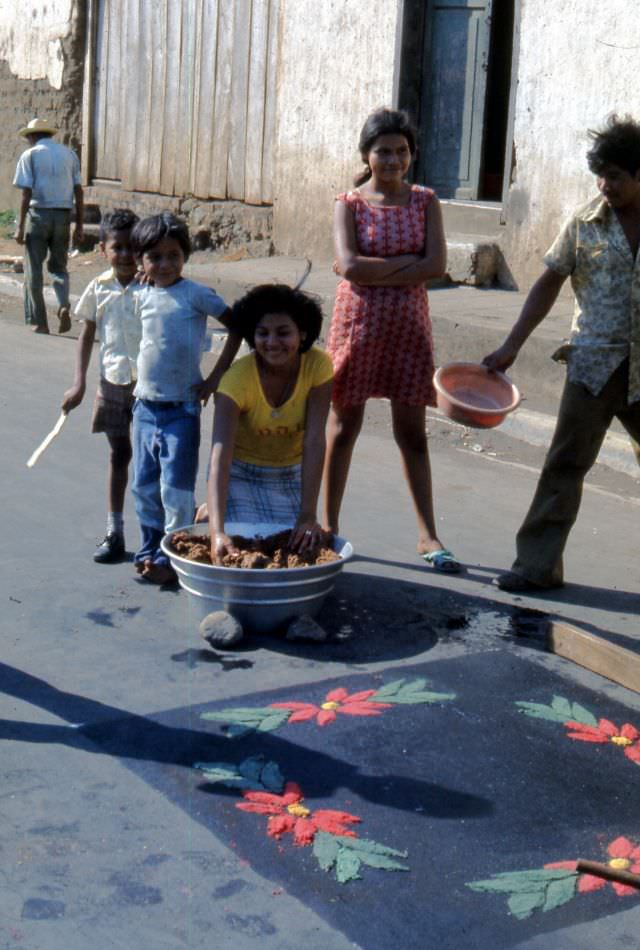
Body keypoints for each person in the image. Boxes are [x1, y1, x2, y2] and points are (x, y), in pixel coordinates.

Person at [484, 113, 640, 591]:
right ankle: (535, 566)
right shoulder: (584, 222)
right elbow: (547, 284)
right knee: (564, 466)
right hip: (592, 365)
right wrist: (511, 345)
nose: (604, 184)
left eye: (615, 176)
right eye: (601, 174)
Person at [323, 107, 459, 572]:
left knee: (413, 435)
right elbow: (349, 265)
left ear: (411, 155)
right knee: (343, 430)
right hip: (357, 327)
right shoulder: (349, 203)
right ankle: (327, 526)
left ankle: (428, 534)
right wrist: (407, 263)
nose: (393, 159)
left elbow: (437, 265)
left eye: (402, 151)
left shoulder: (426, 201)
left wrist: (375, 268)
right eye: (383, 150)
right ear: (367, 154)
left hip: (408, 329)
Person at [130, 212, 240, 583]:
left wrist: (214, 377)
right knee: (144, 487)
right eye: (155, 257)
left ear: (185, 256)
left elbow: (236, 325)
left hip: (182, 409)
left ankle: (172, 557)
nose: (165, 264)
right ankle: (149, 548)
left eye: (173, 255)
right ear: (140, 261)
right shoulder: (140, 293)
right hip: (144, 406)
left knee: (175, 489)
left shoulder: (195, 295)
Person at [206, 284, 333, 564]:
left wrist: (308, 514)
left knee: (295, 546)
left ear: (302, 334)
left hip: (290, 474)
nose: (272, 342)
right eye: (263, 333)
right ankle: (215, 509)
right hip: (241, 472)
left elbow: (314, 441)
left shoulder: (319, 367)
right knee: (246, 547)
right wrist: (217, 532)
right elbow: (220, 458)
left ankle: (216, 508)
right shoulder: (235, 382)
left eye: (283, 332)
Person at [61, 209, 141, 564]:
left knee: (154, 463)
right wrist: (78, 383)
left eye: (132, 248)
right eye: (117, 248)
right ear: (103, 249)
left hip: (149, 386)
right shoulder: (98, 287)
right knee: (119, 455)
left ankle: (161, 537)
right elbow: (87, 333)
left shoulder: (151, 284)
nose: (125, 255)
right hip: (112, 382)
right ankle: (115, 531)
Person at [13, 117, 84, 334]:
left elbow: (26, 193)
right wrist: (79, 225)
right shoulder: (69, 154)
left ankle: (39, 321)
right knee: (59, 267)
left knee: (33, 269)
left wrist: (20, 225)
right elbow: (79, 192)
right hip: (63, 216)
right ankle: (63, 305)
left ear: (32, 136)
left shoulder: (30, 155)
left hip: (38, 215)